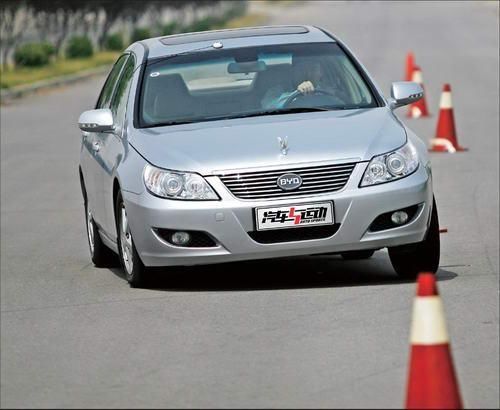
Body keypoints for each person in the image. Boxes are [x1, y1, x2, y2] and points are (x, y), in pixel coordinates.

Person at [261, 60, 327, 109]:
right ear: (293, 72)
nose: (308, 74)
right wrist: (297, 93)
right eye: (302, 69)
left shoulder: (327, 90)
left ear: (321, 73)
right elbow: (268, 106)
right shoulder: (277, 90)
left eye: (313, 69)